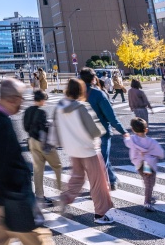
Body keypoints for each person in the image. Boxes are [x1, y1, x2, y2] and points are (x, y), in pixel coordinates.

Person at [0, 78, 54, 245]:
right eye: (21, 98)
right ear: (12, 99)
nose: (22, 102)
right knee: (38, 240)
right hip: (14, 199)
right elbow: (3, 164)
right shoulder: (2, 122)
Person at [55, 78, 115, 225]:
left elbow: (57, 130)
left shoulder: (60, 107)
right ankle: (100, 214)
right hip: (89, 150)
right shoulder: (81, 107)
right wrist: (101, 132)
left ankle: (65, 198)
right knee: (98, 183)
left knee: (77, 178)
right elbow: (94, 131)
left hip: (72, 150)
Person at [78, 68, 126, 190]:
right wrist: (123, 131)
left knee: (100, 160)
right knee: (101, 160)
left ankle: (112, 180)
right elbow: (111, 116)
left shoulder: (77, 94)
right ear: (94, 79)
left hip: (84, 133)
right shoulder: (98, 94)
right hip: (101, 131)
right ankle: (100, 189)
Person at [22, 90, 61, 208]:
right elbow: (44, 129)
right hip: (42, 143)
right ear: (42, 100)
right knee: (57, 165)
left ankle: (39, 196)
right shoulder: (42, 112)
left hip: (31, 141)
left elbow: (25, 127)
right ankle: (61, 191)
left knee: (38, 169)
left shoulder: (28, 110)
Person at [123, 117, 165, 212]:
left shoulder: (132, 140)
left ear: (133, 129)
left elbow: (127, 142)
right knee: (150, 182)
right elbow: (161, 153)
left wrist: (126, 136)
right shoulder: (151, 142)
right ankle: (147, 202)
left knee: (147, 181)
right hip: (147, 164)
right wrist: (156, 155)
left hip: (138, 164)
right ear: (146, 130)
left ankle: (149, 196)